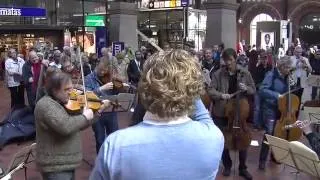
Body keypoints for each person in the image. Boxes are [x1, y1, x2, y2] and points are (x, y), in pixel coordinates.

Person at [89, 49, 224, 180]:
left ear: (146, 86)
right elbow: (200, 112)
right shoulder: (213, 136)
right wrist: (185, 82)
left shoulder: (116, 145)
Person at [34, 71, 110, 180]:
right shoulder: (46, 105)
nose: (71, 93)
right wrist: (84, 117)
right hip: (55, 166)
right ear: (54, 90)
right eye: (66, 90)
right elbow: (66, 126)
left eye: (71, 88)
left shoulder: (63, 103)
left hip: (66, 163)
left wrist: (97, 112)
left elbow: (78, 125)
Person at [207, 48, 255, 179]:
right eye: (226, 60)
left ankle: (243, 168)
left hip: (240, 111)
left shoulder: (244, 73)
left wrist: (246, 89)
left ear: (235, 59)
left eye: (231, 60)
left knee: (243, 138)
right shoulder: (218, 74)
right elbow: (210, 90)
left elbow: (253, 89)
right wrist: (222, 95)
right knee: (223, 141)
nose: (228, 63)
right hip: (223, 111)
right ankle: (227, 165)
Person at [85, 58, 128, 153]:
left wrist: (122, 88)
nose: (102, 73)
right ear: (97, 65)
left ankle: (112, 161)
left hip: (111, 111)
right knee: (100, 140)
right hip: (97, 112)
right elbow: (87, 96)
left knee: (114, 138)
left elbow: (117, 93)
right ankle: (101, 163)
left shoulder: (111, 76)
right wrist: (101, 88)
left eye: (105, 71)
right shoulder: (89, 78)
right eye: (101, 70)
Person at [258, 56, 294, 170]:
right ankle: (262, 160)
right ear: (282, 67)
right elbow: (262, 90)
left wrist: (291, 84)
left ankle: (274, 156)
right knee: (269, 133)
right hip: (270, 108)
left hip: (282, 109)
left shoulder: (287, 76)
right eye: (288, 67)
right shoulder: (271, 75)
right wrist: (276, 95)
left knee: (279, 133)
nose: (289, 70)